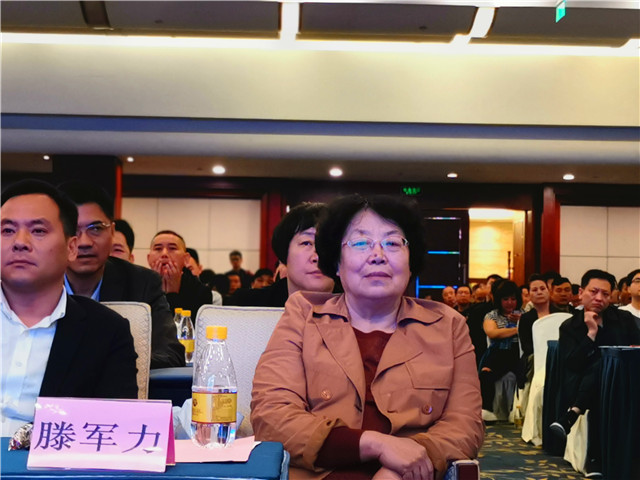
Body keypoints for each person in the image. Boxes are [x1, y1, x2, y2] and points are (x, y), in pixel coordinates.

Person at [251, 194, 483, 480]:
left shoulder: (448, 326)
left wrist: (407, 465)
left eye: (393, 243)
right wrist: (376, 445)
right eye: (360, 243)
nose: (378, 255)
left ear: (411, 261)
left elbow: (466, 425)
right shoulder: (303, 315)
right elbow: (272, 415)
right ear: (336, 263)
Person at [1, 180, 138, 436]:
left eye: (38, 230)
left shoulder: (106, 332)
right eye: (7, 230)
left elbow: (116, 432)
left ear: (71, 248)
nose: (20, 242)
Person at [59, 181, 184, 369]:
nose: (84, 242)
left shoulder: (142, 283)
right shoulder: (35, 286)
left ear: (112, 231)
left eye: (95, 228)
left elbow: (170, 354)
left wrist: (108, 363)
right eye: (72, 230)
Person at [549, 269, 640, 477]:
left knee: (605, 361)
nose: (599, 298)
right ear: (581, 292)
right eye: (594, 291)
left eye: (605, 294)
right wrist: (591, 333)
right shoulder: (570, 326)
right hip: (582, 380)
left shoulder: (623, 319)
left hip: (623, 381)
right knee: (601, 367)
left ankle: (573, 415)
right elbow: (572, 364)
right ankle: (596, 460)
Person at [226, 203, 335, 307]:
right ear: (284, 253)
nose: (317, 257)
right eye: (306, 243)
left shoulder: (346, 306)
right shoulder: (246, 305)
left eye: (327, 243)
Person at [479, 280, 522, 421]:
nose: (510, 303)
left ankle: (516, 411)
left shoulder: (524, 314)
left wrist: (521, 321)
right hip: (498, 353)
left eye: (513, 299)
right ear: (499, 300)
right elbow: (492, 333)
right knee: (486, 373)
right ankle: (487, 410)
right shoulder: (492, 315)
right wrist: (518, 329)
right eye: (505, 299)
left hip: (518, 353)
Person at [147, 230, 212, 319]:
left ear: (186, 259)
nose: (164, 254)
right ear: (149, 258)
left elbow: (189, 325)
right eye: (158, 249)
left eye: (172, 248)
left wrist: (172, 294)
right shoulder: (139, 286)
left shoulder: (200, 291)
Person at [517, 274, 556, 387]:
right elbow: (526, 346)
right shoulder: (525, 318)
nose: (539, 292)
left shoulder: (560, 314)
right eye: (534, 290)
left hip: (558, 357)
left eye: (543, 289)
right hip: (534, 359)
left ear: (549, 291)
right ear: (529, 295)